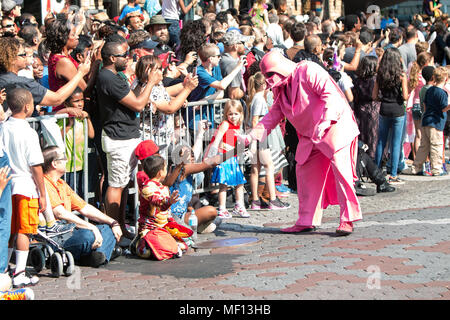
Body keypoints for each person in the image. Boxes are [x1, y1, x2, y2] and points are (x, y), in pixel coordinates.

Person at [239, 50, 362, 235]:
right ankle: (306, 219)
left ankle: (348, 219)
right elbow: (273, 115)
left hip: (335, 127)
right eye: (265, 76)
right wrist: (251, 136)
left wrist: (326, 121)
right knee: (304, 173)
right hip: (310, 134)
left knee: (342, 173)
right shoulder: (280, 87)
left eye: (270, 74)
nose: (268, 80)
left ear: (280, 67)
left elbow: (331, 95)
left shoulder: (308, 70)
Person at [96, 38, 161, 239]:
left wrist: (143, 82)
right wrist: (151, 82)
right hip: (118, 138)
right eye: (124, 55)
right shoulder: (108, 77)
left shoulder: (115, 76)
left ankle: (121, 228)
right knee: (116, 185)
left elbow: (131, 97)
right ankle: (112, 232)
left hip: (127, 135)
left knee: (123, 184)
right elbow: (138, 105)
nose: (129, 58)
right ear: (113, 58)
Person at [42, 146, 122, 268]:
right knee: (88, 235)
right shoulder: (44, 183)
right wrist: (91, 227)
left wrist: (113, 222)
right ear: (54, 164)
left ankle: (97, 256)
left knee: (108, 229)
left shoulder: (61, 184)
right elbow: (60, 213)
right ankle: (101, 253)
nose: (66, 160)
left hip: (70, 231)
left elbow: (84, 208)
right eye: (63, 158)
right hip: (56, 236)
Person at [1, 88, 46, 288]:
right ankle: (19, 272)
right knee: (24, 231)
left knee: (9, 229)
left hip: (7, 183)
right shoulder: (28, 132)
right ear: (28, 107)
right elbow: (36, 165)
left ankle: (5, 268)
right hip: (26, 184)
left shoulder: (4, 127)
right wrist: (43, 193)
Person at [0, 37, 91, 114]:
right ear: (11, 59)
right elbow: (57, 99)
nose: (26, 57)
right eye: (23, 55)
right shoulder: (21, 83)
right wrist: (80, 74)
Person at [132, 154, 190, 260]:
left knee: (183, 246)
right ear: (160, 172)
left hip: (163, 228)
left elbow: (167, 212)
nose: (167, 171)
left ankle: (170, 248)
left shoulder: (163, 188)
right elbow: (157, 203)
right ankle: (141, 243)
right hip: (151, 230)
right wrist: (169, 201)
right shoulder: (147, 188)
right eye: (165, 168)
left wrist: (173, 225)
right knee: (147, 251)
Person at [246, 71, 289, 210]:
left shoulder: (254, 97)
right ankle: (273, 200)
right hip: (260, 138)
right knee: (269, 167)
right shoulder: (259, 98)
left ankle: (256, 201)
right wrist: (254, 142)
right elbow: (255, 121)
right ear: (264, 84)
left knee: (255, 169)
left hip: (257, 137)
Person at [205, 100, 249, 219]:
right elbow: (217, 139)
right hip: (223, 157)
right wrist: (212, 155)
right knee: (223, 184)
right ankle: (222, 208)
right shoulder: (225, 124)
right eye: (230, 114)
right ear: (226, 114)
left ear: (241, 114)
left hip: (232, 157)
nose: (233, 116)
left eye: (236, 114)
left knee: (240, 182)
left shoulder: (238, 126)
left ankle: (239, 205)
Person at [372, 47, 409, 184]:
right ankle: (393, 174)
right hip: (398, 109)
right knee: (395, 143)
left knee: (381, 141)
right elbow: (405, 96)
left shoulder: (380, 75)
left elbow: (374, 96)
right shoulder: (401, 75)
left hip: (384, 109)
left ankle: (376, 171)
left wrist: (383, 99)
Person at [409, 67, 449, 176]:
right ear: (445, 79)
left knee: (424, 146)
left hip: (426, 120)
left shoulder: (429, 89)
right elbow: (443, 108)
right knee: (436, 145)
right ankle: (436, 168)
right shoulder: (442, 93)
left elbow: (425, 105)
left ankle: (416, 167)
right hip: (436, 122)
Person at [57, 87, 94, 196]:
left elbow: (91, 135)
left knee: (79, 193)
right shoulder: (64, 118)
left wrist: (88, 118)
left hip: (81, 163)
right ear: (67, 104)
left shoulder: (82, 118)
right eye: (76, 101)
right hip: (67, 166)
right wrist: (69, 124)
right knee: (68, 194)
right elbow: (58, 137)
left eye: (82, 100)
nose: (80, 104)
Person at [352, 55, 380, 159]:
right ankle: (372, 159)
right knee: (373, 136)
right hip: (374, 109)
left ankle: (362, 159)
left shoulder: (357, 80)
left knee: (362, 135)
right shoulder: (376, 80)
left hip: (360, 109)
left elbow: (355, 96)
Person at [408, 52, 435, 160]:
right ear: (427, 63)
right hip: (424, 106)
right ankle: (426, 160)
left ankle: (417, 160)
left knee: (418, 135)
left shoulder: (415, 74)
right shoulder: (427, 76)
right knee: (426, 135)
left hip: (415, 106)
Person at [219, 30, 250, 100]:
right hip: (230, 107)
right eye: (243, 43)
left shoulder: (223, 59)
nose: (245, 46)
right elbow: (234, 94)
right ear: (235, 46)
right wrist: (250, 93)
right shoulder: (232, 64)